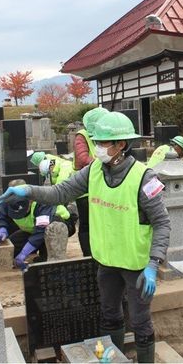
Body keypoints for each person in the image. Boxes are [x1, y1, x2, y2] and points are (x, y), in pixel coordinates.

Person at [0, 112, 171, 363]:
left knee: (140, 321)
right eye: (96, 142)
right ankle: (115, 358)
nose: (97, 148)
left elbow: (162, 223)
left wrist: (154, 263)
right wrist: (27, 191)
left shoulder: (144, 178)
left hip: (137, 265)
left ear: (121, 144)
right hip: (106, 261)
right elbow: (59, 192)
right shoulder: (93, 171)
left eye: (103, 143)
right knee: (109, 314)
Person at [0, 179, 77, 267]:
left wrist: (24, 253)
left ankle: (47, 256)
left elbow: (41, 232)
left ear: (30, 200)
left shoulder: (42, 202)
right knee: (12, 246)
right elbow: (1, 217)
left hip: (57, 227)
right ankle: (33, 248)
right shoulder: (8, 200)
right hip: (33, 229)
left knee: (46, 260)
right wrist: (2, 230)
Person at [72, 106, 109, 257]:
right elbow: (82, 157)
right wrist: (99, 163)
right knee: (86, 223)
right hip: (84, 185)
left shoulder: (104, 135)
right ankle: (88, 254)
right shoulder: (82, 136)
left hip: (100, 183)